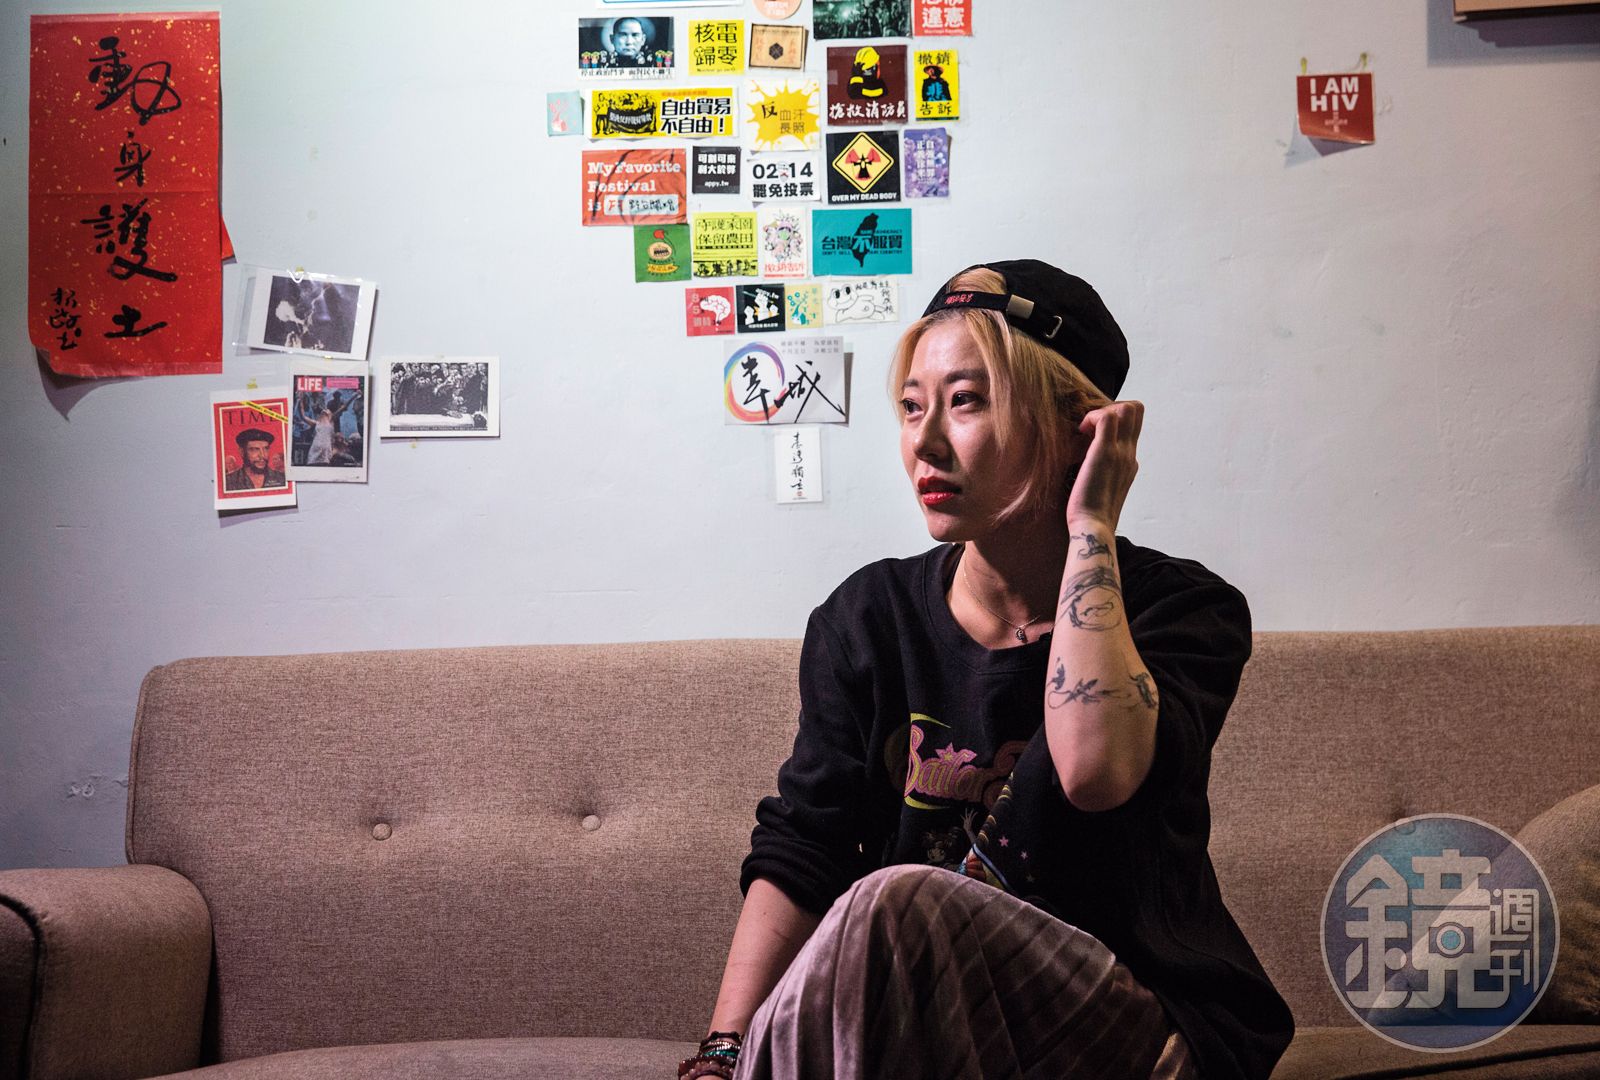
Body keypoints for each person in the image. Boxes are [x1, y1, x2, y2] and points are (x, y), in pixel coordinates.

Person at [684, 261, 1294, 1080]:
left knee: (894, 899)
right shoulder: (868, 617)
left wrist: (1091, 528)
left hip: (1140, 1021)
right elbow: (806, 842)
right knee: (880, 928)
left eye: (966, 401)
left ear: (1080, 429)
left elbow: (1094, 773)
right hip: (921, 1015)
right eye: (911, 407)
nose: (924, 442)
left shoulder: (1183, 610)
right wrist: (723, 1051)